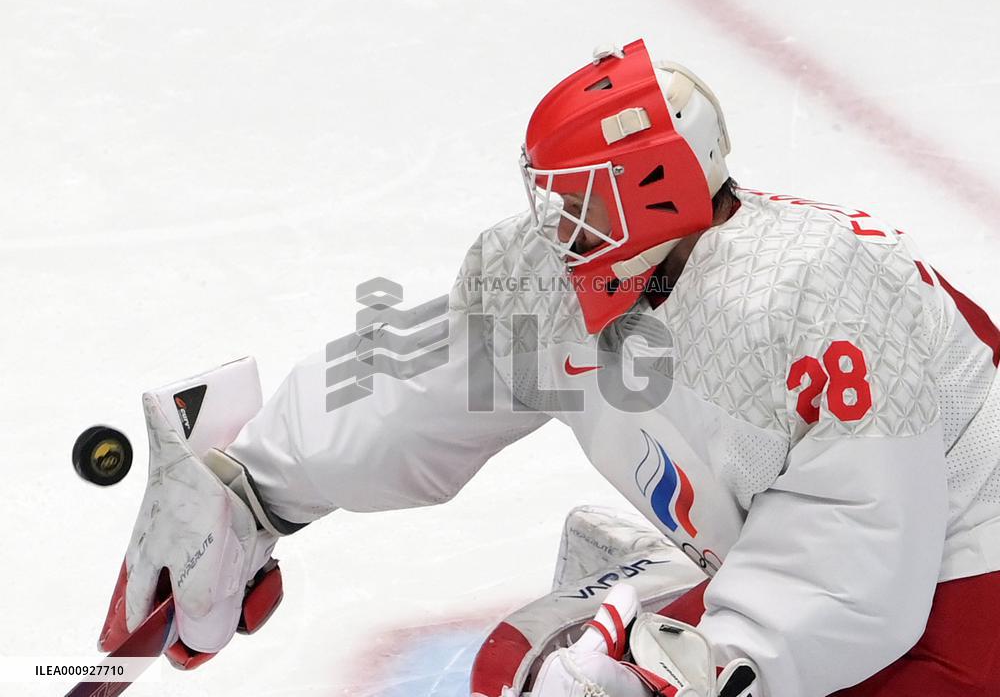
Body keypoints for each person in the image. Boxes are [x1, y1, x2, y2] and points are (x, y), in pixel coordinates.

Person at [99, 39, 1000, 696]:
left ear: (659, 190)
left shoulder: (823, 294)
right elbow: (426, 381)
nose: (554, 223)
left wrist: (697, 663)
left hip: (963, 567)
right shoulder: (567, 268)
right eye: (552, 196)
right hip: (839, 575)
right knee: (521, 672)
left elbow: (859, 546)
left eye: (580, 201)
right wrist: (257, 485)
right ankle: (668, 595)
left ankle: (669, 599)